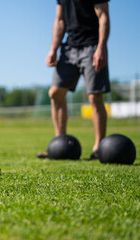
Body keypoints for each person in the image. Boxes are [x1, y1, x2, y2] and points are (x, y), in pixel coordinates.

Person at [39, 0, 110, 159]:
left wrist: (101, 47)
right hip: (69, 48)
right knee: (55, 93)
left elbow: (103, 15)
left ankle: (99, 147)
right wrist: (53, 49)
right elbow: (60, 20)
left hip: (92, 46)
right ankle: (59, 144)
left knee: (94, 95)